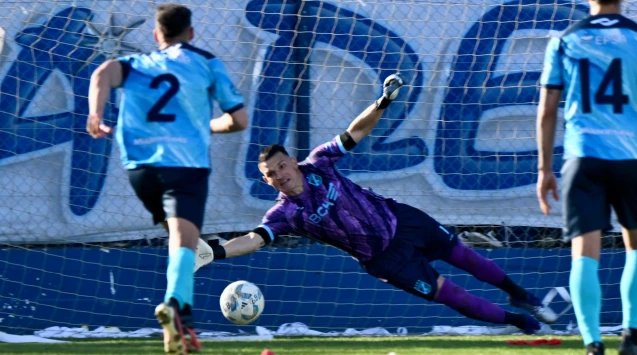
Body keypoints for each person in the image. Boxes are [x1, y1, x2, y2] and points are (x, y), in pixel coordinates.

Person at [199, 79, 557, 335]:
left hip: (403, 220)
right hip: (386, 260)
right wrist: (214, 252)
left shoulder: (319, 162)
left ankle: (523, 296)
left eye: (282, 167)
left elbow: (355, 132)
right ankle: (519, 321)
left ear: (292, 161)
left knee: (468, 258)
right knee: (455, 296)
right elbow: (255, 238)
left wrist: (381, 102)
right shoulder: (284, 214)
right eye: (271, 175)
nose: (280, 175)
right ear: (267, 181)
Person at [536, 0, 637, 355]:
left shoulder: (564, 40)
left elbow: (547, 111)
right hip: (630, 157)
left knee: (585, 253)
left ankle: (592, 345)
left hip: (582, 158)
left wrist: (545, 168)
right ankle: (631, 337)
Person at [86, 4, 249, 355]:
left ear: (157, 35)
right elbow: (238, 119)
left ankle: (183, 324)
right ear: (191, 34)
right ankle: (175, 307)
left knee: (179, 238)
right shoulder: (206, 62)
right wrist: (207, 126)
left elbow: (101, 73)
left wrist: (95, 115)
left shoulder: (138, 64)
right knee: (183, 243)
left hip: (140, 169)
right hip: (185, 166)